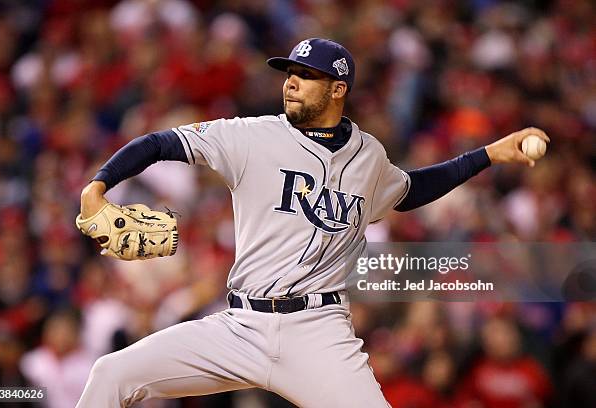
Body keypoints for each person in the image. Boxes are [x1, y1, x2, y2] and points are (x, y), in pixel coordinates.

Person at [76, 38, 549, 407]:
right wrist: (99, 185)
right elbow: (159, 143)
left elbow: (410, 191)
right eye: (290, 73)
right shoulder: (249, 136)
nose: (291, 82)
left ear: (338, 89)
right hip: (239, 326)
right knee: (111, 375)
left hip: (318, 332)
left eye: (306, 75)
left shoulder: (369, 157)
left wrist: (489, 154)